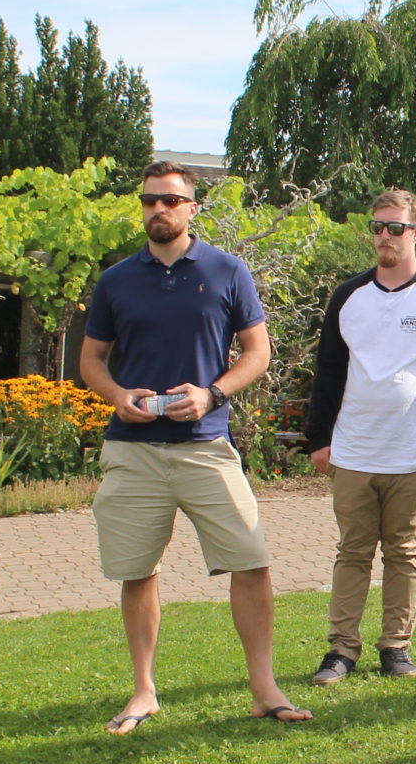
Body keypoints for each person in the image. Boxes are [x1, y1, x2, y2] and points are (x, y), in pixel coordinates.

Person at [82, 160, 307, 731]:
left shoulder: (228, 270)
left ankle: (263, 688)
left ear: (191, 209)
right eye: (149, 201)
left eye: (170, 201)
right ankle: (143, 691)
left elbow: (258, 354)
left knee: (251, 561)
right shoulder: (115, 281)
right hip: (134, 450)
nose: (158, 210)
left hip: (206, 444)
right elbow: (91, 361)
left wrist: (212, 395)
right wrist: (116, 395)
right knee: (138, 572)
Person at [304, 188, 416, 685]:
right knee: (353, 553)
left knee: (403, 553)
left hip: (413, 453)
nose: (385, 235)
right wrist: (318, 439)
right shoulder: (349, 296)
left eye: (395, 228)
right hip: (352, 452)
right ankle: (341, 651)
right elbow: (329, 371)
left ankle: (396, 647)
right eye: (378, 227)